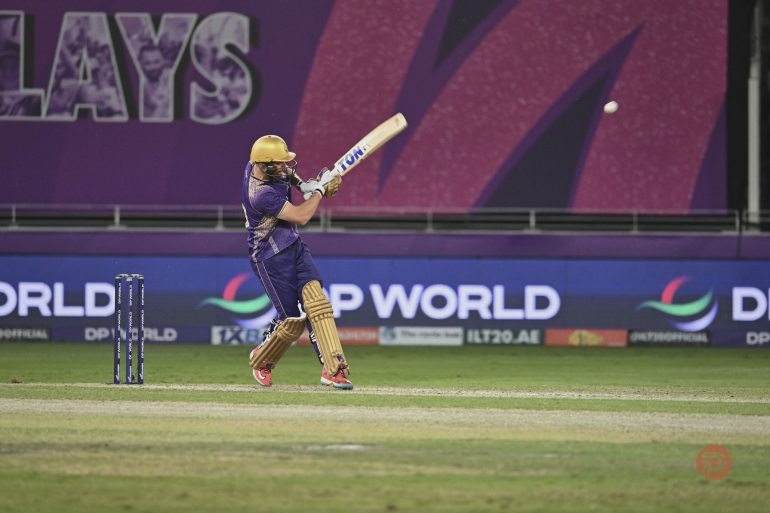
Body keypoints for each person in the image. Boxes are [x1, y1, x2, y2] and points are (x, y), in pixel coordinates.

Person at [242, 134, 353, 390]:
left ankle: (333, 369)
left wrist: (304, 185)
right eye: (279, 164)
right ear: (264, 166)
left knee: (317, 303)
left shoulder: (260, 164)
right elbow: (301, 216)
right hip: (269, 258)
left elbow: (288, 177)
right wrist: (319, 192)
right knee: (291, 322)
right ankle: (262, 360)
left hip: (294, 247)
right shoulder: (261, 194)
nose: (284, 167)